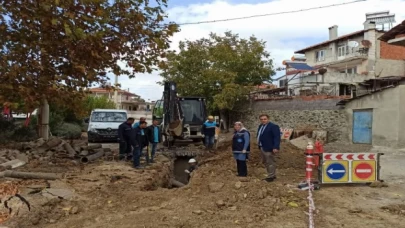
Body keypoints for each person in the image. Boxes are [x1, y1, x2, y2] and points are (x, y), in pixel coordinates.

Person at [257, 114, 281, 182]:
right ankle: (271, 174)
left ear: (268, 119)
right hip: (262, 146)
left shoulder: (273, 126)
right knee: (265, 162)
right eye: (261, 119)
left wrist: (276, 147)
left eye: (265, 119)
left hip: (269, 147)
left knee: (270, 162)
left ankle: (271, 177)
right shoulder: (260, 126)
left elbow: (277, 137)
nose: (263, 120)